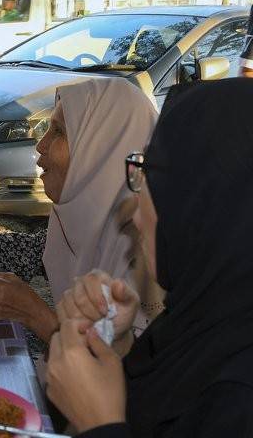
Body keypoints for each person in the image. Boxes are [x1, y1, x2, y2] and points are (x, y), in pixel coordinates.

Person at [46, 78, 253, 438]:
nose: (136, 215)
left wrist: (99, 426)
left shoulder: (239, 396)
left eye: (153, 183)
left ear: (207, 206)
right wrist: (111, 342)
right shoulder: (197, 320)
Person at [0, 78, 161, 344]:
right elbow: (42, 250)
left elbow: (126, 377)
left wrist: (39, 318)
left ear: (101, 147)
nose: (41, 146)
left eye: (59, 132)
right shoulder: (92, 213)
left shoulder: (151, 250)